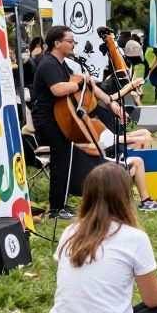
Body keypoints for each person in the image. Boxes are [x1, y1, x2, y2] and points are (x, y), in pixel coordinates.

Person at [49, 163, 157, 313]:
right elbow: (152, 300)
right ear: (125, 197)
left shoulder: (70, 233)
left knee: (135, 310)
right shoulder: (135, 238)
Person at [32, 25, 124, 219]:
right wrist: (77, 83)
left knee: (64, 161)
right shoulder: (48, 63)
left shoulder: (62, 63)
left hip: (60, 119)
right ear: (57, 43)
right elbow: (58, 89)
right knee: (60, 162)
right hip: (48, 121)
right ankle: (56, 209)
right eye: (70, 41)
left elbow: (86, 84)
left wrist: (110, 102)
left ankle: (61, 204)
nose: (74, 44)